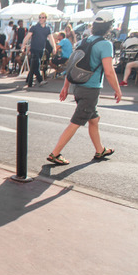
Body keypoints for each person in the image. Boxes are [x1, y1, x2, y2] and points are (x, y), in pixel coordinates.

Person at [47, 10, 122, 166]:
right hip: (91, 89)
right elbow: (109, 71)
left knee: (94, 119)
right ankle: (55, 153)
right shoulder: (105, 45)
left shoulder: (83, 41)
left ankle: (100, 150)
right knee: (76, 121)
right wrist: (118, 89)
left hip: (78, 86)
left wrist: (65, 86)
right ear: (109, 27)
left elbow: (71, 65)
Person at [22, 12, 56, 87]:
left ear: (45, 19)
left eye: (43, 17)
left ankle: (28, 79)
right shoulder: (34, 27)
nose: (41, 19)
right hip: (34, 48)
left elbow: (51, 39)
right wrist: (23, 46)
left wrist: (54, 47)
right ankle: (40, 80)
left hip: (41, 49)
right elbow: (27, 37)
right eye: (40, 17)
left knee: (35, 65)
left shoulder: (47, 28)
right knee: (36, 64)